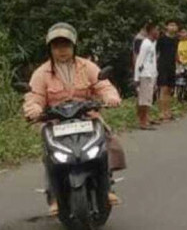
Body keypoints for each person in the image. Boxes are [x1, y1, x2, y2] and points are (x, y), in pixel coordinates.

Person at [23, 23, 125, 215]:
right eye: (57, 46)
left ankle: (107, 187)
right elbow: (33, 97)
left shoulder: (87, 66)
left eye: (66, 45)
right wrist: (34, 109)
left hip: (86, 116)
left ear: (74, 46)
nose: (62, 50)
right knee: (50, 155)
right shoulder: (41, 73)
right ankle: (54, 195)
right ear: (50, 49)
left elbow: (103, 85)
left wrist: (111, 97)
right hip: (55, 122)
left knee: (106, 143)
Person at [134, 22, 160, 130]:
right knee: (144, 99)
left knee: (149, 98)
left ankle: (147, 118)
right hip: (145, 74)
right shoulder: (146, 43)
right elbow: (140, 60)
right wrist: (136, 77)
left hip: (151, 74)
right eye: (156, 30)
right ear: (151, 31)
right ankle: (142, 121)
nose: (158, 32)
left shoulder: (152, 43)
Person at [156, 19, 179, 122]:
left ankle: (168, 111)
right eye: (171, 25)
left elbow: (175, 54)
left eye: (175, 25)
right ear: (166, 27)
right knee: (163, 89)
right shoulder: (161, 39)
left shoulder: (176, 39)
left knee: (169, 90)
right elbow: (156, 53)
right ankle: (161, 112)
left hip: (172, 66)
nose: (173, 27)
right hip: (162, 66)